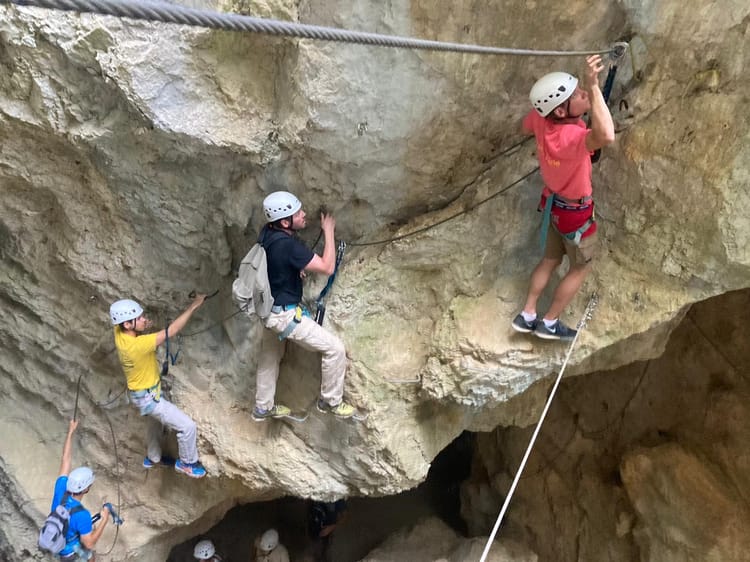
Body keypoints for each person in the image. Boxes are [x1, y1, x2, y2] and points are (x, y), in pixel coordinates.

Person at [511, 54, 616, 341]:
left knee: (549, 260)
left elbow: (524, 125)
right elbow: (606, 135)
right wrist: (595, 88)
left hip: (553, 206)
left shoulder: (541, 120)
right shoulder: (572, 138)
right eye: (577, 95)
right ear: (560, 111)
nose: (583, 93)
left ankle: (528, 313)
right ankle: (550, 322)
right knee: (581, 266)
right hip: (575, 213)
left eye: (582, 91)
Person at [252, 191, 355, 420]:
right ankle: (330, 401)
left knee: (270, 356)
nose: (304, 215)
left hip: (267, 310)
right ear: (285, 221)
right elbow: (327, 267)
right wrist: (328, 231)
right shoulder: (289, 246)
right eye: (298, 213)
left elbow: (273, 263)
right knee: (335, 349)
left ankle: (262, 406)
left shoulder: (267, 234)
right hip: (284, 317)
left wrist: (291, 270)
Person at [110, 295, 208, 478]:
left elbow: (126, 322)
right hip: (150, 399)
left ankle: (153, 458)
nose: (143, 320)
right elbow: (172, 331)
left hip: (139, 395)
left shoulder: (119, 335)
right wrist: (193, 306)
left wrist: (140, 324)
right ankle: (187, 463)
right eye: (139, 319)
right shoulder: (138, 345)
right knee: (187, 427)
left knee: (154, 424)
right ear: (127, 325)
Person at [50, 420, 110, 560]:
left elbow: (65, 459)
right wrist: (104, 520)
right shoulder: (82, 515)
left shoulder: (61, 488)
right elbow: (89, 543)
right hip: (69, 553)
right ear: (86, 489)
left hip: (57, 539)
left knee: (90, 556)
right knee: (88, 552)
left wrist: (70, 432)